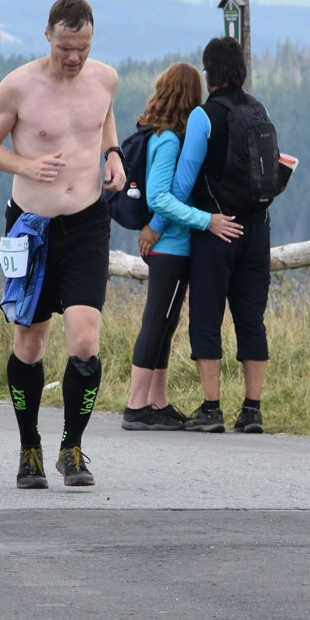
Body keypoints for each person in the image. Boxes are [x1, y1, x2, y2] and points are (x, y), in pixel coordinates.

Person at [0, 0, 125, 488]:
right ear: (47, 36)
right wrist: (26, 165)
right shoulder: (18, 86)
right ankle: (29, 448)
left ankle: (72, 448)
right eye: (65, 48)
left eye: (82, 47)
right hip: (30, 227)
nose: (74, 58)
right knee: (30, 342)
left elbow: (102, 117)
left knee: (84, 340)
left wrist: (113, 153)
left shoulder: (105, 78)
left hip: (87, 223)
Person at [121, 63, 243, 431]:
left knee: (165, 324)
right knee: (156, 323)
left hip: (171, 247)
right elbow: (160, 197)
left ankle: (157, 402)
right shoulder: (171, 140)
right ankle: (136, 405)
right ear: (190, 95)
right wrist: (206, 220)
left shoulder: (162, 135)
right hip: (172, 248)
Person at [172, 37, 274, 433]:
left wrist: (170, 220)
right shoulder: (258, 110)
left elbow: (183, 184)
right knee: (251, 319)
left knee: (206, 317)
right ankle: (252, 410)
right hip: (257, 227)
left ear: (209, 73)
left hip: (216, 229)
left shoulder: (204, 116)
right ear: (242, 71)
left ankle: (211, 409)